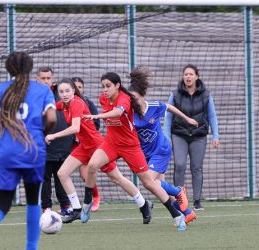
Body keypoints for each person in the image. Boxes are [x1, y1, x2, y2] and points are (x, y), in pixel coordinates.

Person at [0, 51, 56, 250]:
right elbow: (52, 118)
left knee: (2, 203)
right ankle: (31, 247)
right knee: (33, 202)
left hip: (7, 151)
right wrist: (39, 132)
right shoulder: (42, 90)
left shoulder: (1, 89)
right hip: (33, 150)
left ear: (9, 69)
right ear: (30, 68)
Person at [82, 72, 187, 231]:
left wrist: (97, 116)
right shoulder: (103, 98)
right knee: (91, 165)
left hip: (130, 146)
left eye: (108, 86)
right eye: (103, 86)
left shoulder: (124, 98)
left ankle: (177, 215)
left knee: (149, 183)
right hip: (111, 143)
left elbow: (118, 112)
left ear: (117, 86)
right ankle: (87, 203)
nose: (105, 90)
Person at [46, 78, 151, 224]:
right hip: (84, 147)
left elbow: (75, 128)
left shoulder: (76, 103)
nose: (64, 94)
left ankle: (143, 203)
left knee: (117, 178)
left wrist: (53, 135)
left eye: (67, 91)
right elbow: (51, 107)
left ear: (74, 91)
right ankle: (76, 209)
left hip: (97, 146)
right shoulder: (63, 105)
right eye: (61, 92)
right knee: (62, 173)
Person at [128, 66, 198, 224]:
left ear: (143, 97)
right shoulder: (129, 114)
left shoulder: (153, 107)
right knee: (159, 188)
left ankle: (178, 191)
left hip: (161, 150)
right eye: (131, 100)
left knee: (149, 182)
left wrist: (187, 118)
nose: (134, 103)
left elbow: (169, 107)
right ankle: (187, 213)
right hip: (146, 154)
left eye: (136, 99)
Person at [164, 64, 219, 211]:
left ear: (197, 76)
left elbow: (212, 116)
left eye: (191, 74)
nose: (188, 76)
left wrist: (215, 135)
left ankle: (197, 201)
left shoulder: (206, 95)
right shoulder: (175, 94)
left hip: (199, 135)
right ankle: (179, 199)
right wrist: (167, 136)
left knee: (196, 167)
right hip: (179, 134)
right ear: (183, 77)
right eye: (186, 74)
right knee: (180, 165)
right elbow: (168, 116)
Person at [36, 67, 72, 216]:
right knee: (44, 178)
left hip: (63, 144)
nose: (46, 81)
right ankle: (46, 208)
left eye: (48, 78)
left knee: (62, 176)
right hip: (44, 146)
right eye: (43, 78)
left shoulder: (61, 93)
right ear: (37, 79)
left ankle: (65, 206)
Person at [72, 77, 101, 212]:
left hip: (87, 144)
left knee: (86, 174)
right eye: (75, 86)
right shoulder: (65, 104)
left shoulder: (87, 102)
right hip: (70, 144)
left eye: (80, 87)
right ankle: (67, 204)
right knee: (61, 173)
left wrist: (82, 135)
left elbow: (96, 123)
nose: (78, 89)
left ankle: (95, 197)